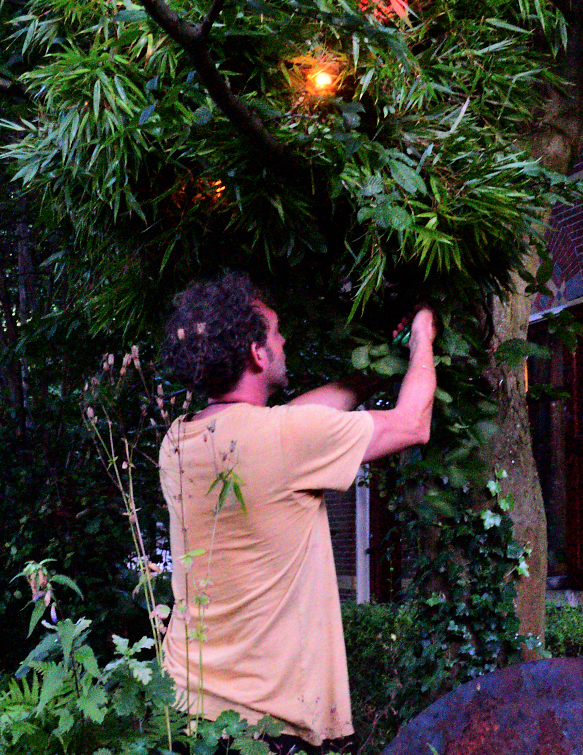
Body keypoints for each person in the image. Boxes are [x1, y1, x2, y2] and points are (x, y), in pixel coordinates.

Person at [157, 272, 437, 754]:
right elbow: (412, 424)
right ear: (256, 354)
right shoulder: (285, 440)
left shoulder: (178, 442)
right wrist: (423, 338)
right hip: (267, 729)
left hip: (190, 716)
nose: (283, 340)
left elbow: (292, 422)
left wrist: (371, 375)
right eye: (275, 332)